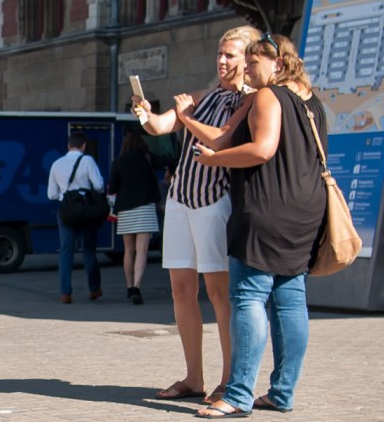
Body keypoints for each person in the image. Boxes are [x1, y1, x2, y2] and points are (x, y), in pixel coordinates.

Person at [195, 34, 327, 418]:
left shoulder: (270, 96)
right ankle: (281, 393)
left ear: (278, 63)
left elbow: (263, 149)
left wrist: (213, 160)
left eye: (255, 63)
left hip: (266, 207)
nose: (248, 70)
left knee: (249, 296)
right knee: (290, 299)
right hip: (305, 211)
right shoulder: (312, 102)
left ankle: (236, 394)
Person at [133, 25, 261, 404]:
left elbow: (219, 138)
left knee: (220, 294)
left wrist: (187, 118)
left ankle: (228, 380)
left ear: (247, 59)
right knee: (181, 291)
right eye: (220, 54)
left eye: (231, 55)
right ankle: (194, 378)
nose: (222, 61)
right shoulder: (206, 95)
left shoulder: (249, 100)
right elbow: (161, 126)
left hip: (214, 201)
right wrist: (145, 114)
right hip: (180, 199)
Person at [47, 131, 105, 304]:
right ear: (84, 145)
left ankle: (65, 293)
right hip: (86, 209)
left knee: (66, 252)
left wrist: (65, 196)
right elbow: (99, 186)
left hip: (66, 211)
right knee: (88, 250)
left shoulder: (56, 164)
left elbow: (51, 194)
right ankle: (94, 289)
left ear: (68, 145)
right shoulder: (87, 160)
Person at [108, 132, 161, 305]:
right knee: (142, 251)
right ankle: (137, 287)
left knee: (128, 251)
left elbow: (112, 188)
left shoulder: (118, 162)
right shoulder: (147, 158)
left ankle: (129, 287)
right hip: (145, 208)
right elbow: (170, 162)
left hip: (125, 210)